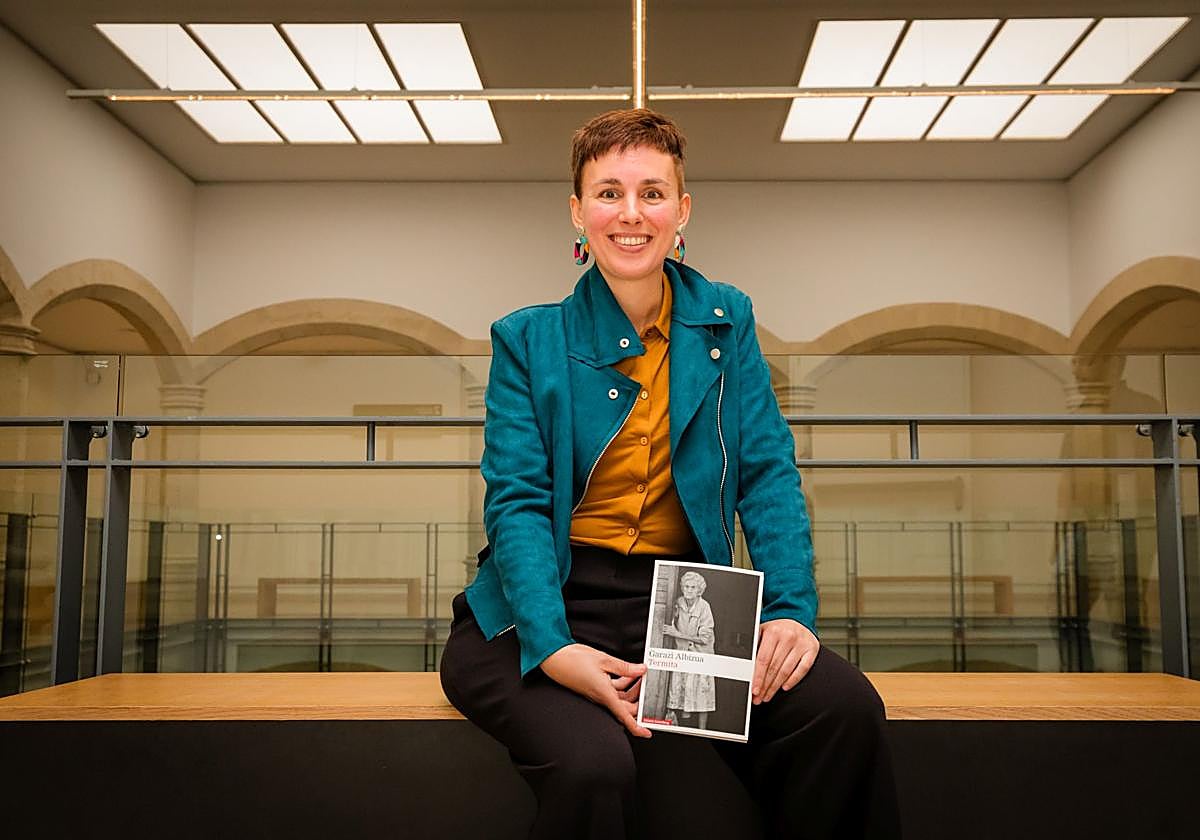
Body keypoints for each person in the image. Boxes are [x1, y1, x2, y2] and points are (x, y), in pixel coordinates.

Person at [439, 108, 900, 839]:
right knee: (595, 767)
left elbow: (767, 474)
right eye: (609, 193)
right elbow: (518, 502)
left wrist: (789, 610)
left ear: (682, 210)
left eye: (652, 193)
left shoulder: (726, 319)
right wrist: (554, 648)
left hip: (684, 606)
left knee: (841, 709)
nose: (631, 213)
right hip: (537, 607)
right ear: (578, 212)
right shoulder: (527, 338)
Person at [662, 570, 716, 729]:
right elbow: (671, 622)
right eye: (686, 586)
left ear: (699, 590)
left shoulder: (704, 607)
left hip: (701, 656)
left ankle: (702, 731)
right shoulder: (678, 602)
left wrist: (677, 634)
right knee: (677, 693)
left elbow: (704, 639)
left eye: (693, 587)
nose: (689, 590)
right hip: (682, 655)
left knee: (702, 697)